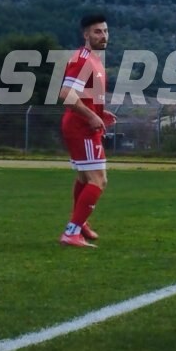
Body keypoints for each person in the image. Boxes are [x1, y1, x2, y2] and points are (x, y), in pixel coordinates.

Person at [58, 13, 116, 248]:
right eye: (97, 32)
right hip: (81, 127)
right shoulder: (82, 60)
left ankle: (79, 223)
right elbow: (66, 94)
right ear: (86, 34)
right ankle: (71, 232)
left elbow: (84, 96)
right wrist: (91, 116)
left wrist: (100, 112)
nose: (103, 36)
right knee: (98, 180)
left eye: (105, 31)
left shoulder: (95, 60)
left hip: (82, 124)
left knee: (85, 177)